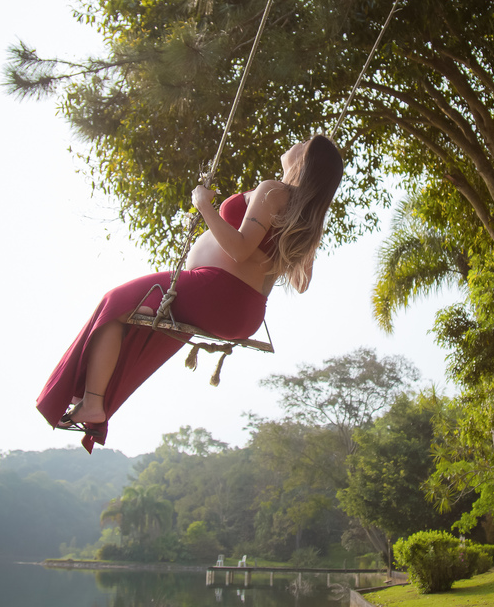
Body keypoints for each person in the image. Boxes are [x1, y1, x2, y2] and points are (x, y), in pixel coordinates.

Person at [35, 135, 344, 451]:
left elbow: (239, 249)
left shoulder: (273, 190)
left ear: (305, 160)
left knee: (114, 302)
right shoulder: (304, 215)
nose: (296, 142)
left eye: (304, 142)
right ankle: (92, 400)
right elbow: (301, 282)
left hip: (216, 293)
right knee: (136, 316)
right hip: (244, 312)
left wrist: (203, 205)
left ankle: (93, 402)